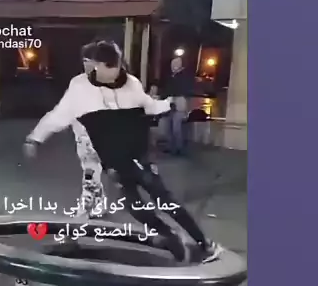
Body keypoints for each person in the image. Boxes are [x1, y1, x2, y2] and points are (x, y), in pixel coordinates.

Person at [23, 40, 221, 263]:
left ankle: (204, 244)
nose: (114, 74)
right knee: (134, 208)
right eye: (107, 69)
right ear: (96, 65)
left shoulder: (131, 84)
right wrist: (35, 138)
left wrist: (171, 103)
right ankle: (170, 236)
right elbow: (58, 116)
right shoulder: (80, 89)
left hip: (138, 155)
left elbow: (150, 105)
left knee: (164, 199)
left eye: (116, 67)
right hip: (112, 162)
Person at [70, 43, 106, 217]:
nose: (87, 64)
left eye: (90, 60)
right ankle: (99, 201)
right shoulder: (77, 82)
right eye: (85, 61)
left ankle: (86, 202)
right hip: (81, 134)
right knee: (90, 168)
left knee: (91, 170)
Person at [162, 56, 194, 155]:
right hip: (171, 103)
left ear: (179, 65)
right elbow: (167, 89)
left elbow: (184, 89)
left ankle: (178, 147)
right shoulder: (171, 76)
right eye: (172, 64)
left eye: (174, 64)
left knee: (176, 126)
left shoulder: (183, 76)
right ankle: (170, 146)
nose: (172, 66)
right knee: (169, 125)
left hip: (179, 102)